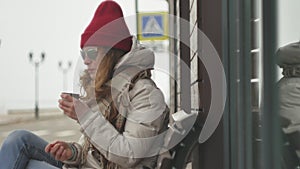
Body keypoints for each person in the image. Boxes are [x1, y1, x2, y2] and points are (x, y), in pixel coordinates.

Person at [0, 1, 169, 169]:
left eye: (92, 52)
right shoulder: (108, 91)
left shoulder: (145, 95)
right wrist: (71, 152)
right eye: (83, 53)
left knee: (20, 154)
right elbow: (91, 153)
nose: (86, 60)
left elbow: (129, 155)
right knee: (19, 139)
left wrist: (86, 117)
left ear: (112, 54)